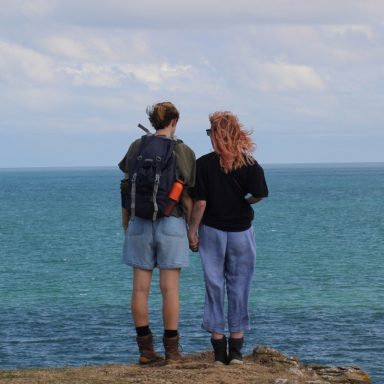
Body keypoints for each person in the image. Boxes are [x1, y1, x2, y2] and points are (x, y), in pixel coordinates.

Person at [187, 111, 268, 365]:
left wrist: (192, 231)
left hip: (211, 230)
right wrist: (243, 201)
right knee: (240, 286)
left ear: (216, 134)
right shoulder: (250, 163)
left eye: (211, 132)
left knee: (214, 286)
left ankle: (219, 350)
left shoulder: (203, 164)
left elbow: (200, 203)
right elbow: (259, 194)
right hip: (242, 231)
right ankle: (236, 351)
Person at [118, 101, 195, 364]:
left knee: (140, 288)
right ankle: (172, 352)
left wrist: (126, 221)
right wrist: (193, 230)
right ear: (175, 121)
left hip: (138, 221)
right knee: (169, 288)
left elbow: (127, 181)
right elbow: (187, 193)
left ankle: (145, 351)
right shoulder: (182, 150)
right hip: (171, 221)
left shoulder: (136, 146)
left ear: (152, 121)